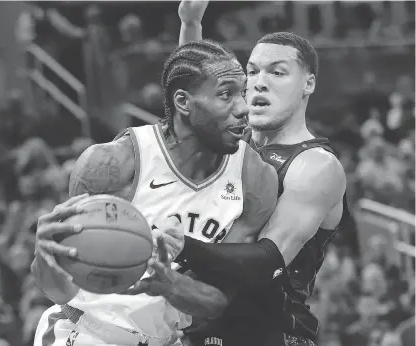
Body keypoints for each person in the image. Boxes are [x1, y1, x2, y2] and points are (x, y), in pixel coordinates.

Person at [31, 39, 278, 346]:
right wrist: (44, 258)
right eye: (226, 94)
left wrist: (170, 285)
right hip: (85, 332)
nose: (243, 108)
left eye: (242, 92)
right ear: (183, 102)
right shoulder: (112, 164)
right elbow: (58, 291)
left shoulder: (255, 180)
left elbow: (215, 301)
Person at [144, 1, 354, 345]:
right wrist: (191, 22)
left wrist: (185, 248)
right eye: (253, 71)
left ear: (309, 84)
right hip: (201, 328)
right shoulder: (232, 145)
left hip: (270, 334)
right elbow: (195, 98)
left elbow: (267, 261)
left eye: (277, 72)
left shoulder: (315, 165)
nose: (259, 82)